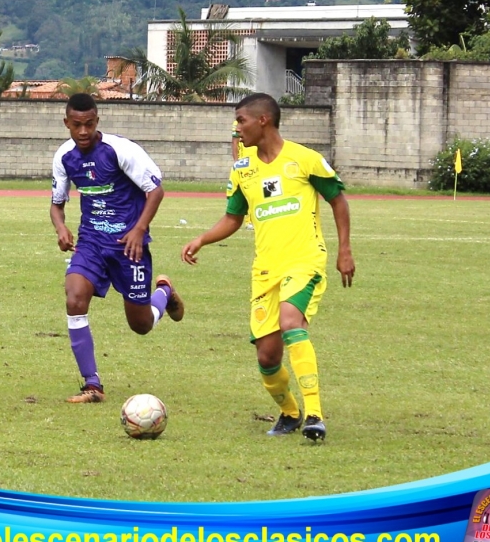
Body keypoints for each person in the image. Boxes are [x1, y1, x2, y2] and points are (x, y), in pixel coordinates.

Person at [182, 93, 355, 441]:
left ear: (263, 120)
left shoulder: (304, 160)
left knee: (292, 321)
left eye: (241, 120)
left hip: (304, 259)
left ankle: (315, 415)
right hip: (266, 270)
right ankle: (290, 413)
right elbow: (233, 218)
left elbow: (338, 200)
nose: (237, 127)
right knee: (267, 356)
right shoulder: (243, 168)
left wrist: (345, 250)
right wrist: (202, 238)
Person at [50, 93, 184, 404]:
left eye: (89, 124)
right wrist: (61, 228)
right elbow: (57, 205)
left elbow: (155, 191)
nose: (83, 132)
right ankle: (92, 384)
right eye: (76, 125)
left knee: (141, 325)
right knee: (74, 297)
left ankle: (164, 292)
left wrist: (138, 230)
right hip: (92, 243)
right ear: (66, 123)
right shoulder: (64, 157)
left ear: (97, 121)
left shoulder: (120, 150)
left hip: (128, 246)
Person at [231, 119, 254, 231]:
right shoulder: (237, 124)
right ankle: (248, 221)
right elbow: (235, 142)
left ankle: (255, 220)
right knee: (248, 191)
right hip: (245, 163)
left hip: (258, 161)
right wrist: (236, 161)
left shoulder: (259, 121)